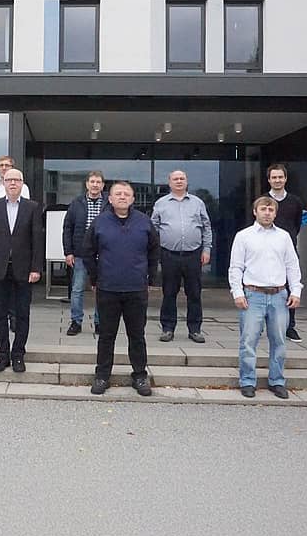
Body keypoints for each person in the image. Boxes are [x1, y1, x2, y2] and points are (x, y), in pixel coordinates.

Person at [82, 181, 159, 397]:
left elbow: (154, 252)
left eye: (127, 194)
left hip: (136, 289)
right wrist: (96, 277)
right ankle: (102, 376)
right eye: (118, 194)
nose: (122, 197)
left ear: (133, 199)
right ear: (110, 198)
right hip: (108, 289)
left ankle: (140, 376)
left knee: (137, 335)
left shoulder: (144, 222)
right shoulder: (100, 222)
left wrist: (150, 279)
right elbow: (87, 252)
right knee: (107, 335)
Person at [228, 196, 302, 399]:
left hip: (279, 295)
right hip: (253, 295)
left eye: (271, 210)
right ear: (255, 212)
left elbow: (292, 266)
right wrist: (238, 292)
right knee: (248, 340)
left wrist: (296, 291)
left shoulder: (284, 237)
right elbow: (236, 267)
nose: (267, 213)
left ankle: (277, 381)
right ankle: (247, 381)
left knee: (279, 341)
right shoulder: (244, 236)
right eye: (263, 209)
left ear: (275, 213)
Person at [0, 168, 43, 373]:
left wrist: (36, 268)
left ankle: (18, 354)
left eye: (17, 180)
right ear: (4, 183)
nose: (13, 184)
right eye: (9, 180)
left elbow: (37, 240)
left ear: (22, 184)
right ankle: (2, 354)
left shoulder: (32, 207)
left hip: (24, 270)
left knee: (22, 314)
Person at [151, 169, 212, 343]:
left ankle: (195, 329)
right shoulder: (161, 203)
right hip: (169, 254)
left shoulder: (197, 203)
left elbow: (206, 227)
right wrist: (156, 253)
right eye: (175, 179)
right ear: (169, 182)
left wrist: (206, 249)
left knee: (194, 293)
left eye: (182, 178)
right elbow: (153, 229)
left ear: (186, 182)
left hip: (193, 254)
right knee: (169, 292)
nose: (179, 181)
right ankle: (168, 328)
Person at [0, 155, 30, 333]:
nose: (4, 168)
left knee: (17, 293)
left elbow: (25, 216)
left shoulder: (22, 188)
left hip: (18, 252)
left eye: (7, 165)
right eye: (1, 165)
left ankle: (14, 318)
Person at [62, 170, 106, 336]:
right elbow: (67, 228)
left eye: (98, 182)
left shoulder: (109, 203)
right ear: (87, 184)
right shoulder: (76, 203)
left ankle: (99, 322)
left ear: (102, 185)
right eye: (92, 181)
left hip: (104, 254)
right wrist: (68, 252)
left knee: (102, 290)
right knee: (77, 289)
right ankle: (76, 322)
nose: (95, 185)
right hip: (81, 253)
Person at [267, 163, 305, 342]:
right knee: (265, 287)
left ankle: (290, 326)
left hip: (288, 252)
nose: (277, 180)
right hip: (265, 253)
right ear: (269, 180)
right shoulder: (263, 201)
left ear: (285, 179)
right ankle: (264, 325)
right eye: (274, 177)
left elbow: (296, 225)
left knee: (291, 287)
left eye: (280, 177)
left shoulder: (295, 201)